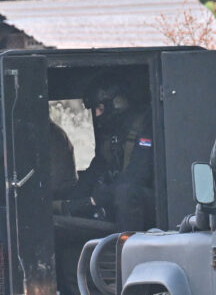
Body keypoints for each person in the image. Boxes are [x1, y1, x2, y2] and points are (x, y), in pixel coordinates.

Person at [61, 76, 155, 230]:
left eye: (100, 108)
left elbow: (138, 175)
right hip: (121, 194)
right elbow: (97, 168)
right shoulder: (113, 133)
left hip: (152, 202)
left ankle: (128, 244)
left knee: (125, 193)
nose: (98, 115)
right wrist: (71, 203)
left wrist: (98, 199)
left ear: (118, 102)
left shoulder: (145, 125)